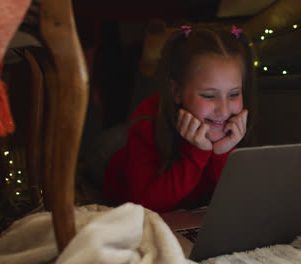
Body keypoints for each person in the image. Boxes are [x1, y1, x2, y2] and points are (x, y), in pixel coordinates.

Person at [103, 24, 258, 213]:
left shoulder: (233, 127)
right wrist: (196, 153)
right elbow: (146, 206)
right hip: (111, 162)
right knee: (101, 146)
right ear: (176, 91)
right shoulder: (147, 122)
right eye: (209, 96)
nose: (225, 111)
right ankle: (147, 64)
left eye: (234, 94)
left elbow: (239, 202)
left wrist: (222, 152)